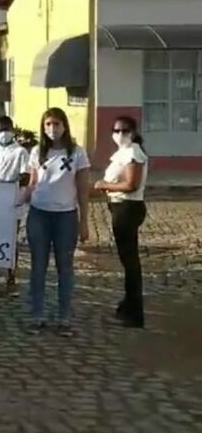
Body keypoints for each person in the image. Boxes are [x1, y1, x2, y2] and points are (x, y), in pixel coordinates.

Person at [25, 108, 90, 336]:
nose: (53, 129)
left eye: (56, 124)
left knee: (65, 268)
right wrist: (12, 199)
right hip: (39, 215)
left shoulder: (77, 153)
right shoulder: (37, 152)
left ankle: (64, 317)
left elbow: (83, 191)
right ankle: (37, 315)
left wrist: (84, 222)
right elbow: (33, 183)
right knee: (38, 267)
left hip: (66, 216)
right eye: (48, 125)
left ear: (64, 126)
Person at [93, 116, 148, 329]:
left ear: (133, 132)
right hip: (120, 207)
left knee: (130, 261)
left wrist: (104, 185)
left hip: (127, 207)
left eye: (125, 131)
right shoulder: (123, 153)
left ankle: (134, 312)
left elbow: (131, 184)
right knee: (128, 260)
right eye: (116, 130)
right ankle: (128, 303)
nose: (120, 134)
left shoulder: (133, 152)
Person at [0, 115, 30, 294]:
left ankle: (11, 277)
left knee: (10, 240)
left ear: (12, 131)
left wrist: (10, 182)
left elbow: (25, 176)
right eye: (0, 130)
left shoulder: (20, 152)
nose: (3, 133)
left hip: (12, 198)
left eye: (6, 129)